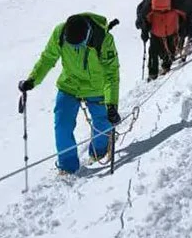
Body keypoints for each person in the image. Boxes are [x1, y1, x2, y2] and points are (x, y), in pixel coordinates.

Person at [18, 13, 121, 174]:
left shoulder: (104, 40)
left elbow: (111, 75)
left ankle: (99, 152)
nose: (74, 48)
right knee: (62, 124)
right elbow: (48, 58)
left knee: (102, 122)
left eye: (78, 44)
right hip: (69, 85)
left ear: (87, 34)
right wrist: (33, 79)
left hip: (97, 87)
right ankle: (67, 166)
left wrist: (112, 104)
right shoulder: (60, 32)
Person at [139, 0, 186, 81]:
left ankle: (153, 72)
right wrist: (183, 27)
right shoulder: (175, 5)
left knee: (154, 52)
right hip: (170, 32)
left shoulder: (150, 9)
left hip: (157, 33)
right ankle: (165, 66)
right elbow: (183, 16)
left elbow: (145, 21)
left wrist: (144, 32)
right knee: (167, 49)